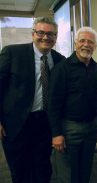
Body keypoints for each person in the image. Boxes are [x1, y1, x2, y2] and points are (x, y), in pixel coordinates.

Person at [0, 17, 65, 183]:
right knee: (20, 171)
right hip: (16, 124)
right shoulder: (12, 53)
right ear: (33, 34)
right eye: (41, 32)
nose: (45, 37)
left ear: (56, 37)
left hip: (44, 124)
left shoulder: (60, 60)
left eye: (50, 34)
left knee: (43, 169)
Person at [48, 26, 97, 183]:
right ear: (75, 44)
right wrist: (56, 134)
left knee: (86, 171)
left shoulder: (95, 67)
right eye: (82, 41)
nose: (86, 44)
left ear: (95, 46)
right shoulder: (62, 69)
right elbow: (53, 103)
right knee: (68, 175)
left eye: (90, 42)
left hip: (91, 127)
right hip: (69, 129)